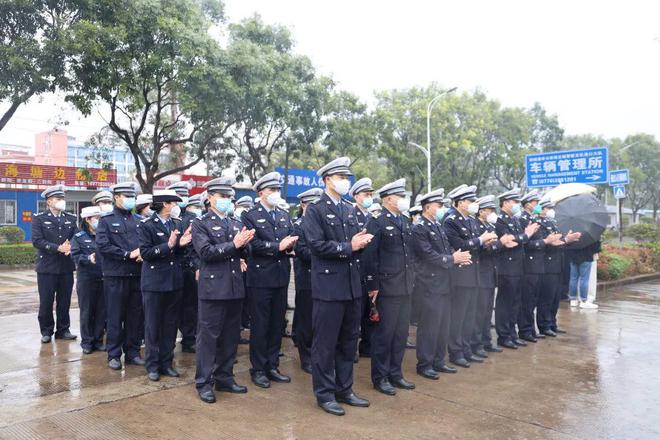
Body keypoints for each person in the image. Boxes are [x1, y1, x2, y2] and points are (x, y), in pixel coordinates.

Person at [302, 157, 372, 416]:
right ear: (327, 180)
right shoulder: (316, 210)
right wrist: (349, 246)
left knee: (348, 342)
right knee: (325, 344)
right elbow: (316, 246)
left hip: (351, 286)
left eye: (347, 178)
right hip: (329, 288)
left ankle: (345, 389)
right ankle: (325, 393)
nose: (345, 182)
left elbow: (355, 243)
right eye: (341, 178)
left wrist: (360, 243)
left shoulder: (349, 209)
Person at [193, 177, 255, 403]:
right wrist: (236, 245)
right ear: (210, 198)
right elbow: (206, 252)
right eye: (223, 197)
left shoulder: (235, 222)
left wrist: (245, 246)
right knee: (209, 338)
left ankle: (225, 377)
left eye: (230, 197)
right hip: (213, 288)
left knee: (230, 337)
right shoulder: (201, 223)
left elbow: (243, 253)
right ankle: (204, 382)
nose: (227, 201)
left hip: (234, 287)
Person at [241, 171, 297, 388]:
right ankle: (258, 369)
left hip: (281, 276)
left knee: (276, 325)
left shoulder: (283, 214)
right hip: (260, 278)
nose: (275, 193)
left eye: (277, 190)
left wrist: (291, 245)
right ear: (260, 192)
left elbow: (292, 237)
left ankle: (272, 365)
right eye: (272, 190)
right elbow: (251, 245)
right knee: (261, 325)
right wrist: (278, 247)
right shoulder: (250, 215)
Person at [363, 178, 416, 395]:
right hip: (386, 286)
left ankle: (396, 373)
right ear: (388, 199)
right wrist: (372, 285)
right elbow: (369, 257)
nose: (404, 200)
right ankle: (380, 377)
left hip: (404, 285)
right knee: (384, 335)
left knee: (400, 333)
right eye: (400, 196)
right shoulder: (377, 221)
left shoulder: (404, 220)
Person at [413, 188, 471, 380]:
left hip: (445, 283)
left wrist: (458, 258)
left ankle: (438, 361)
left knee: (442, 325)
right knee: (429, 326)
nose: (441, 208)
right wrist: (452, 259)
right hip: (430, 284)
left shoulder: (437, 225)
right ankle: (425, 363)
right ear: (428, 207)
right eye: (439, 205)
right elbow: (428, 254)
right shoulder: (420, 227)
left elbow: (446, 250)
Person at [138, 190, 192, 381]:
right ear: (163, 204)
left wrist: (181, 245)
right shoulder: (146, 225)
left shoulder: (176, 223)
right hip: (154, 282)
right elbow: (145, 253)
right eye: (172, 203)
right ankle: (152, 365)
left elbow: (178, 255)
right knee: (153, 325)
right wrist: (168, 246)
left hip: (174, 281)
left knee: (170, 325)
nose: (175, 206)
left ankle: (166, 363)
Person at [443, 184, 497, 367]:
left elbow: (475, 245)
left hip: (474, 274)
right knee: (458, 316)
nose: (474, 204)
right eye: (470, 201)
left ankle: (466, 349)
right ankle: (456, 352)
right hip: (460, 275)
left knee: (469, 315)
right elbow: (458, 244)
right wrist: (480, 240)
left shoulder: (471, 221)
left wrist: (485, 243)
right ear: (460, 203)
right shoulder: (451, 221)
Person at [96, 182, 145, 370]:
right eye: (127, 196)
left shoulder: (139, 220)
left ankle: (132, 352)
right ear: (116, 197)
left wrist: (142, 254)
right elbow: (103, 246)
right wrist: (127, 254)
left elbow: (144, 243)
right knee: (115, 316)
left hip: (136, 275)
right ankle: (114, 355)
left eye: (132, 196)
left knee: (135, 316)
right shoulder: (106, 220)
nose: (130, 200)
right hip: (115, 276)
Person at [31, 184, 78, 343]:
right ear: (49, 202)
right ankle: (46, 331)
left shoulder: (70, 218)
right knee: (46, 301)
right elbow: (37, 241)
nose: (61, 202)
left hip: (66, 266)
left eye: (62, 199)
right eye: (58, 199)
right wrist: (58, 248)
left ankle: (63, 330)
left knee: (64, 301)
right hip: (47, 267)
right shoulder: (39, 218)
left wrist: (70, 246)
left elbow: (76, 236)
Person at [494, 189, 539, 349]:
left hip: (518, 268)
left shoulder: (515, 220)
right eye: (514, 202)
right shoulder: (500, 222)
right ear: (505, 203)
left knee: (515, 303)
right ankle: (503, 335)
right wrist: (524, 236)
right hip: (506, 269)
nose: (516, 205)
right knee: (505, 303)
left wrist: (522, 237)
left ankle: (512, 333)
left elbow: (520, 240)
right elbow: (514, 239)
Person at [518, 190, 559, 343]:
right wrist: (546, 242)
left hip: (538, 264)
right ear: (528, 204)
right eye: (536, 203)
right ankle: (525, 330)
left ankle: (531, 329)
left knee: (533, 299)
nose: (538, 206)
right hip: (529, 265)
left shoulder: (535, 219)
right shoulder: (523, 219)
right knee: (527, 300)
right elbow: (526, 243)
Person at [291, 187, 324, 374]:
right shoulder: (298, 226)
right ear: (303, 206)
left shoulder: (320, 223)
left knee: (320, 320)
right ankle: (306, 356)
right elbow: (302, 251)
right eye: (312, 204)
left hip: (323, 278)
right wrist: (324, 253)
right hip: (307, 277)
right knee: (306, 319)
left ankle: (317, 354)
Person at [472, 195, 508, 355]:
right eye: (489, 210)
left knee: (487, 311)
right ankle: (477, 343)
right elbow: (485, 249)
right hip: (481, 274)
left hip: (491, 273)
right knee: (480, 312)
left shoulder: (490, 227)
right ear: (481, 211)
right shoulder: (477, 227)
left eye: (494, 210)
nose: (493, 213)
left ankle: (486, 341)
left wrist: (498, 244)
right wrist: (500, 243)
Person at [71, 206, 106, 354]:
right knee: (87, 311)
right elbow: (75, 256)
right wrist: (87, 258)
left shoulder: (104, 235)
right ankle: (87, 342)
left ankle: (98, 340)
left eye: (100, 217)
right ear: (87, 219)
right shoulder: (78, 237)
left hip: (103, 277)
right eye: (96, 218)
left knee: (101, 311)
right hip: (86, 279)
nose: (99, 221)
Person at [349, 177, 375, 358]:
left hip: (370, 272)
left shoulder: (372, 217)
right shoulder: (350, 215)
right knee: (354, 315)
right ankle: (351, 350)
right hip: (356, 270)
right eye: (366, 194)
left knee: (369, 311)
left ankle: (367, 346)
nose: (369, 197)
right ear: (357, 197)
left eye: (371, 194)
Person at [178, 192, 202, 353]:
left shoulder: (192, 218)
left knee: (190, 306)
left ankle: (189, 339)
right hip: (175, 268)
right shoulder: (172, 219)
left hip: (189, 267)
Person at [566, 240, 601, 309]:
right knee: (584, 279)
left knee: (573, 278)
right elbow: (596, 247)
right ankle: (583, 301)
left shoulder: (573, 230)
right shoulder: (590, 234)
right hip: (586, 256)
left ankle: (573, 300)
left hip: (573, 257)